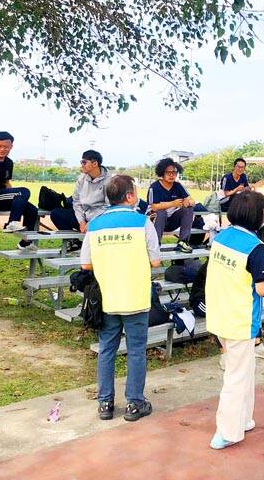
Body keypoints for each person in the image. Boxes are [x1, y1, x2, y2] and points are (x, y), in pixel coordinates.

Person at [80, 174, 162, 422]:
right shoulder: (143, 222)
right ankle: (134, 403)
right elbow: (155, 261)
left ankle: (105, 403)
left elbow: (85, 264)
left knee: (107, 349)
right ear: (129, 196)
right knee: (136, 350)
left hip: (107, 298)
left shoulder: (95, 224)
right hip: (135, 297)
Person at [206, 191, 264, 450]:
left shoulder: (221, 237)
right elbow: (262, 289)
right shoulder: (256, 247)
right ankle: (226, 431)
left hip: (220, 313)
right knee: (236, 376)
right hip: (240, 319)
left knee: (245, 370)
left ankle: (243, 419)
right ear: (256, 215)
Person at [0, 131, 40, 251]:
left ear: (11, 147)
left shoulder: (9, 163)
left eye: (6, 147)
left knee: (32, 210)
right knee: (24, 191)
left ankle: (25, 242)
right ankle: (11, 223)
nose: (2, 149)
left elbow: (6, 183)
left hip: (3, 196)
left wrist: (17, 199)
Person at [50, 150, 111, 234]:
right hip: (83, 216)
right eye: (81, 162)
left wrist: (91, 223)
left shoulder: (110, 181)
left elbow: (108, 206)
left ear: (95, 164)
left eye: (84, 162)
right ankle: (73, 240)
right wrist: (81, 222)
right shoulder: (81, 178)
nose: (82, 165)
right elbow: (76, 201)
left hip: (99, 218)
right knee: (56, 214)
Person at [148, 158, 195, 253]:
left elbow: (192, 200)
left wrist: (188, 202)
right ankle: (156, 244)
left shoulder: (178, 186)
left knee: (188, 209)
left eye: (174, 172)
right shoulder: (154, 187)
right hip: (156, 222)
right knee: (161, 212)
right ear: (162, 173)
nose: (171, 175)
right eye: (168, 172)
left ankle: (183, 242)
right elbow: (153, 207)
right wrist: (172, 203)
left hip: (172, 221)